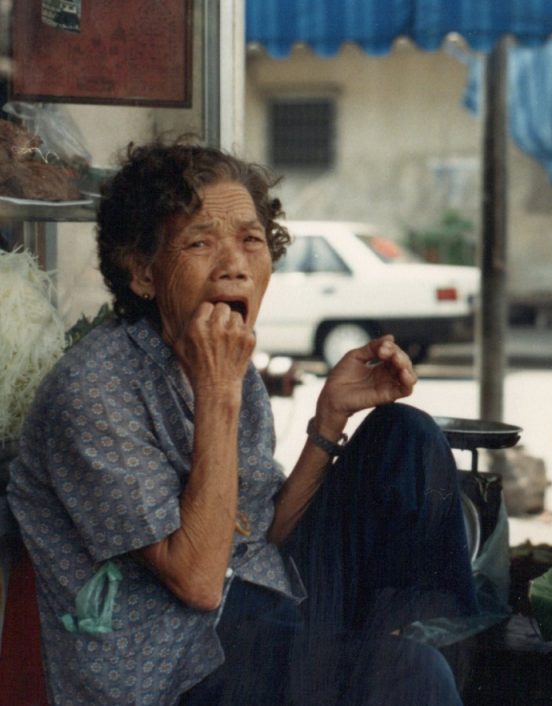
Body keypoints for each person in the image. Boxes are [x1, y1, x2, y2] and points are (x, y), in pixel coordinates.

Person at [7, 136, 479, 705]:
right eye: (200, 242)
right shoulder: (93, 393)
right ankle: (388, 664)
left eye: (251, 241)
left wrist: (328, 421)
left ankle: (407, 641)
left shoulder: (230, 364)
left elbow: (260, 536)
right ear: (142, 273)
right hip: (176, 667)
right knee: (412, 677)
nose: (235, 265)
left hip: (261, 607)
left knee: (406, 435)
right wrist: (217, 392)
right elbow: (201, 583)